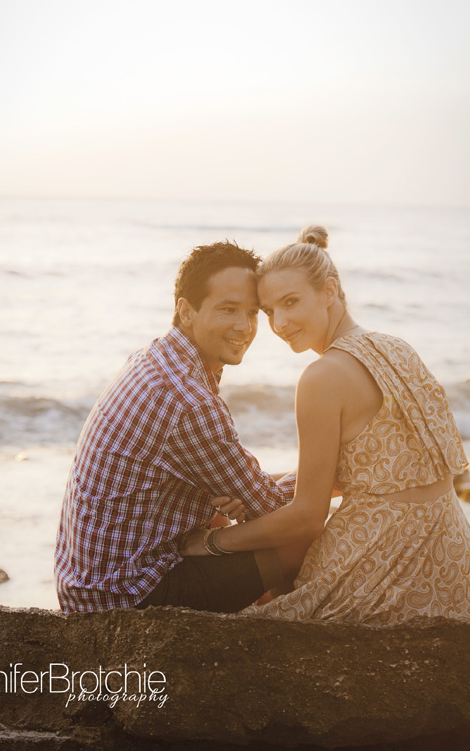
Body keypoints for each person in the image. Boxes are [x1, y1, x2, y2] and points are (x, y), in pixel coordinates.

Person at [182, 225, 470, 623]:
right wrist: (257, 486)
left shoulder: (321, 377)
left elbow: (308, 517)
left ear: (329, 291)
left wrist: (213, 541)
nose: (280, 323)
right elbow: (376, 473)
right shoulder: (398, 349)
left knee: (247, 621)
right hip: (458, 568)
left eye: (291, 302)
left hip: (383, 567)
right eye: (270, 311)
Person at [54, 241, 296, 614]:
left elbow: (243, 487)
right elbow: (276, 510)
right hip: (125, 597)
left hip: (85, 583)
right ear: (186, 311)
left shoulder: (155, 358)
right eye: (228, 309)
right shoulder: (189, 400)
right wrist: (331, 477)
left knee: (226, 516)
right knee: (298, 538)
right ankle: (287, 636)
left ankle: (258, 624)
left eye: (252, 312)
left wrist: (238, 493)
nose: (245, 326)